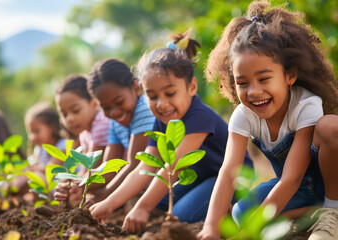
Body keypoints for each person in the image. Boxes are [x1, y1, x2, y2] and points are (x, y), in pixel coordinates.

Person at [198, 2, 338, 240]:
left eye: (264, 79)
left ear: (289, 75)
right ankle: (314, 213)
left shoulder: (306, 105)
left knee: (331, 126)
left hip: (327, 183)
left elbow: (291, 177)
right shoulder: (243, 116)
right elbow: (228, 171)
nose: (253, 91)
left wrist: (248, 234)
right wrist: (211, 226)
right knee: (242, 212)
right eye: (242, 83)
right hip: (300, 192)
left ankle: (332, 212)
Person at [89, 31, 253, 233]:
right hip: (200, 177)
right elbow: (145, 166)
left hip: (231, 179)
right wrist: (109, 203)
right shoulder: (162, 120)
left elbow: (173, 166)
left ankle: (227, 212)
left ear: (191, 87)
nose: (162, 103)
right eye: (152, 96)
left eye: (170, 93)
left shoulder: (199, 116)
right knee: (155, 201)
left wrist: (143, 207)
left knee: (181, 216)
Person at [54, 61, 156, 207]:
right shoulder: (114, 122)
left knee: (133, 204)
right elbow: (109, 169)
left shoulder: (143, 111)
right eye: (106, 108)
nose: (114, 112)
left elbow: (134, 165)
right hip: (139, 179)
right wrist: (77, 185)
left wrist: (103, 200)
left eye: (119, 102)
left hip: (160, 178)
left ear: (135, 88)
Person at [25, 102, 66, 168]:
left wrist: (31, 169)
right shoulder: (40, 150)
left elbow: (49, 170)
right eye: (30, 132)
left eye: (37, 131)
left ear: (51, 127)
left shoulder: (62, 146)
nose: (33, 137)